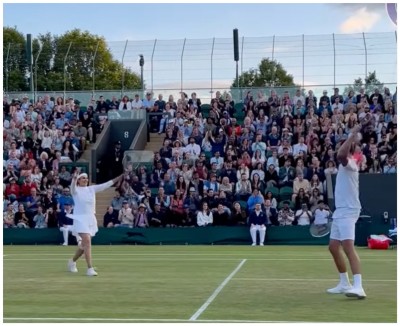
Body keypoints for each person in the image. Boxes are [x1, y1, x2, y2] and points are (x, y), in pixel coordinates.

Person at [327, 125, 366, 299]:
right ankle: (344, 283)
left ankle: (359, 287)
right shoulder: (348, 163)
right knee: (333, 247)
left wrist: (351, 136)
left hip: (349, 211)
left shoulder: (351, 163)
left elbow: (341, 154)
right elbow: (341, 152)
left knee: (348, 247)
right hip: (340, 210)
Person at [67, 170, 122, 276]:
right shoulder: (75, 190)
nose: (85, 180)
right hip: (80, 219)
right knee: (87, 241)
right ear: (78, 180)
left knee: (84, 246)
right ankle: (90, 268)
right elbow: (72, 186)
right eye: (83, 178)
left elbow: (106, 185)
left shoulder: (91, 189)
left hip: (90, 219)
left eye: (86, 178)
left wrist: (120, 176)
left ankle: (72, 261)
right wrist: (74, 178)